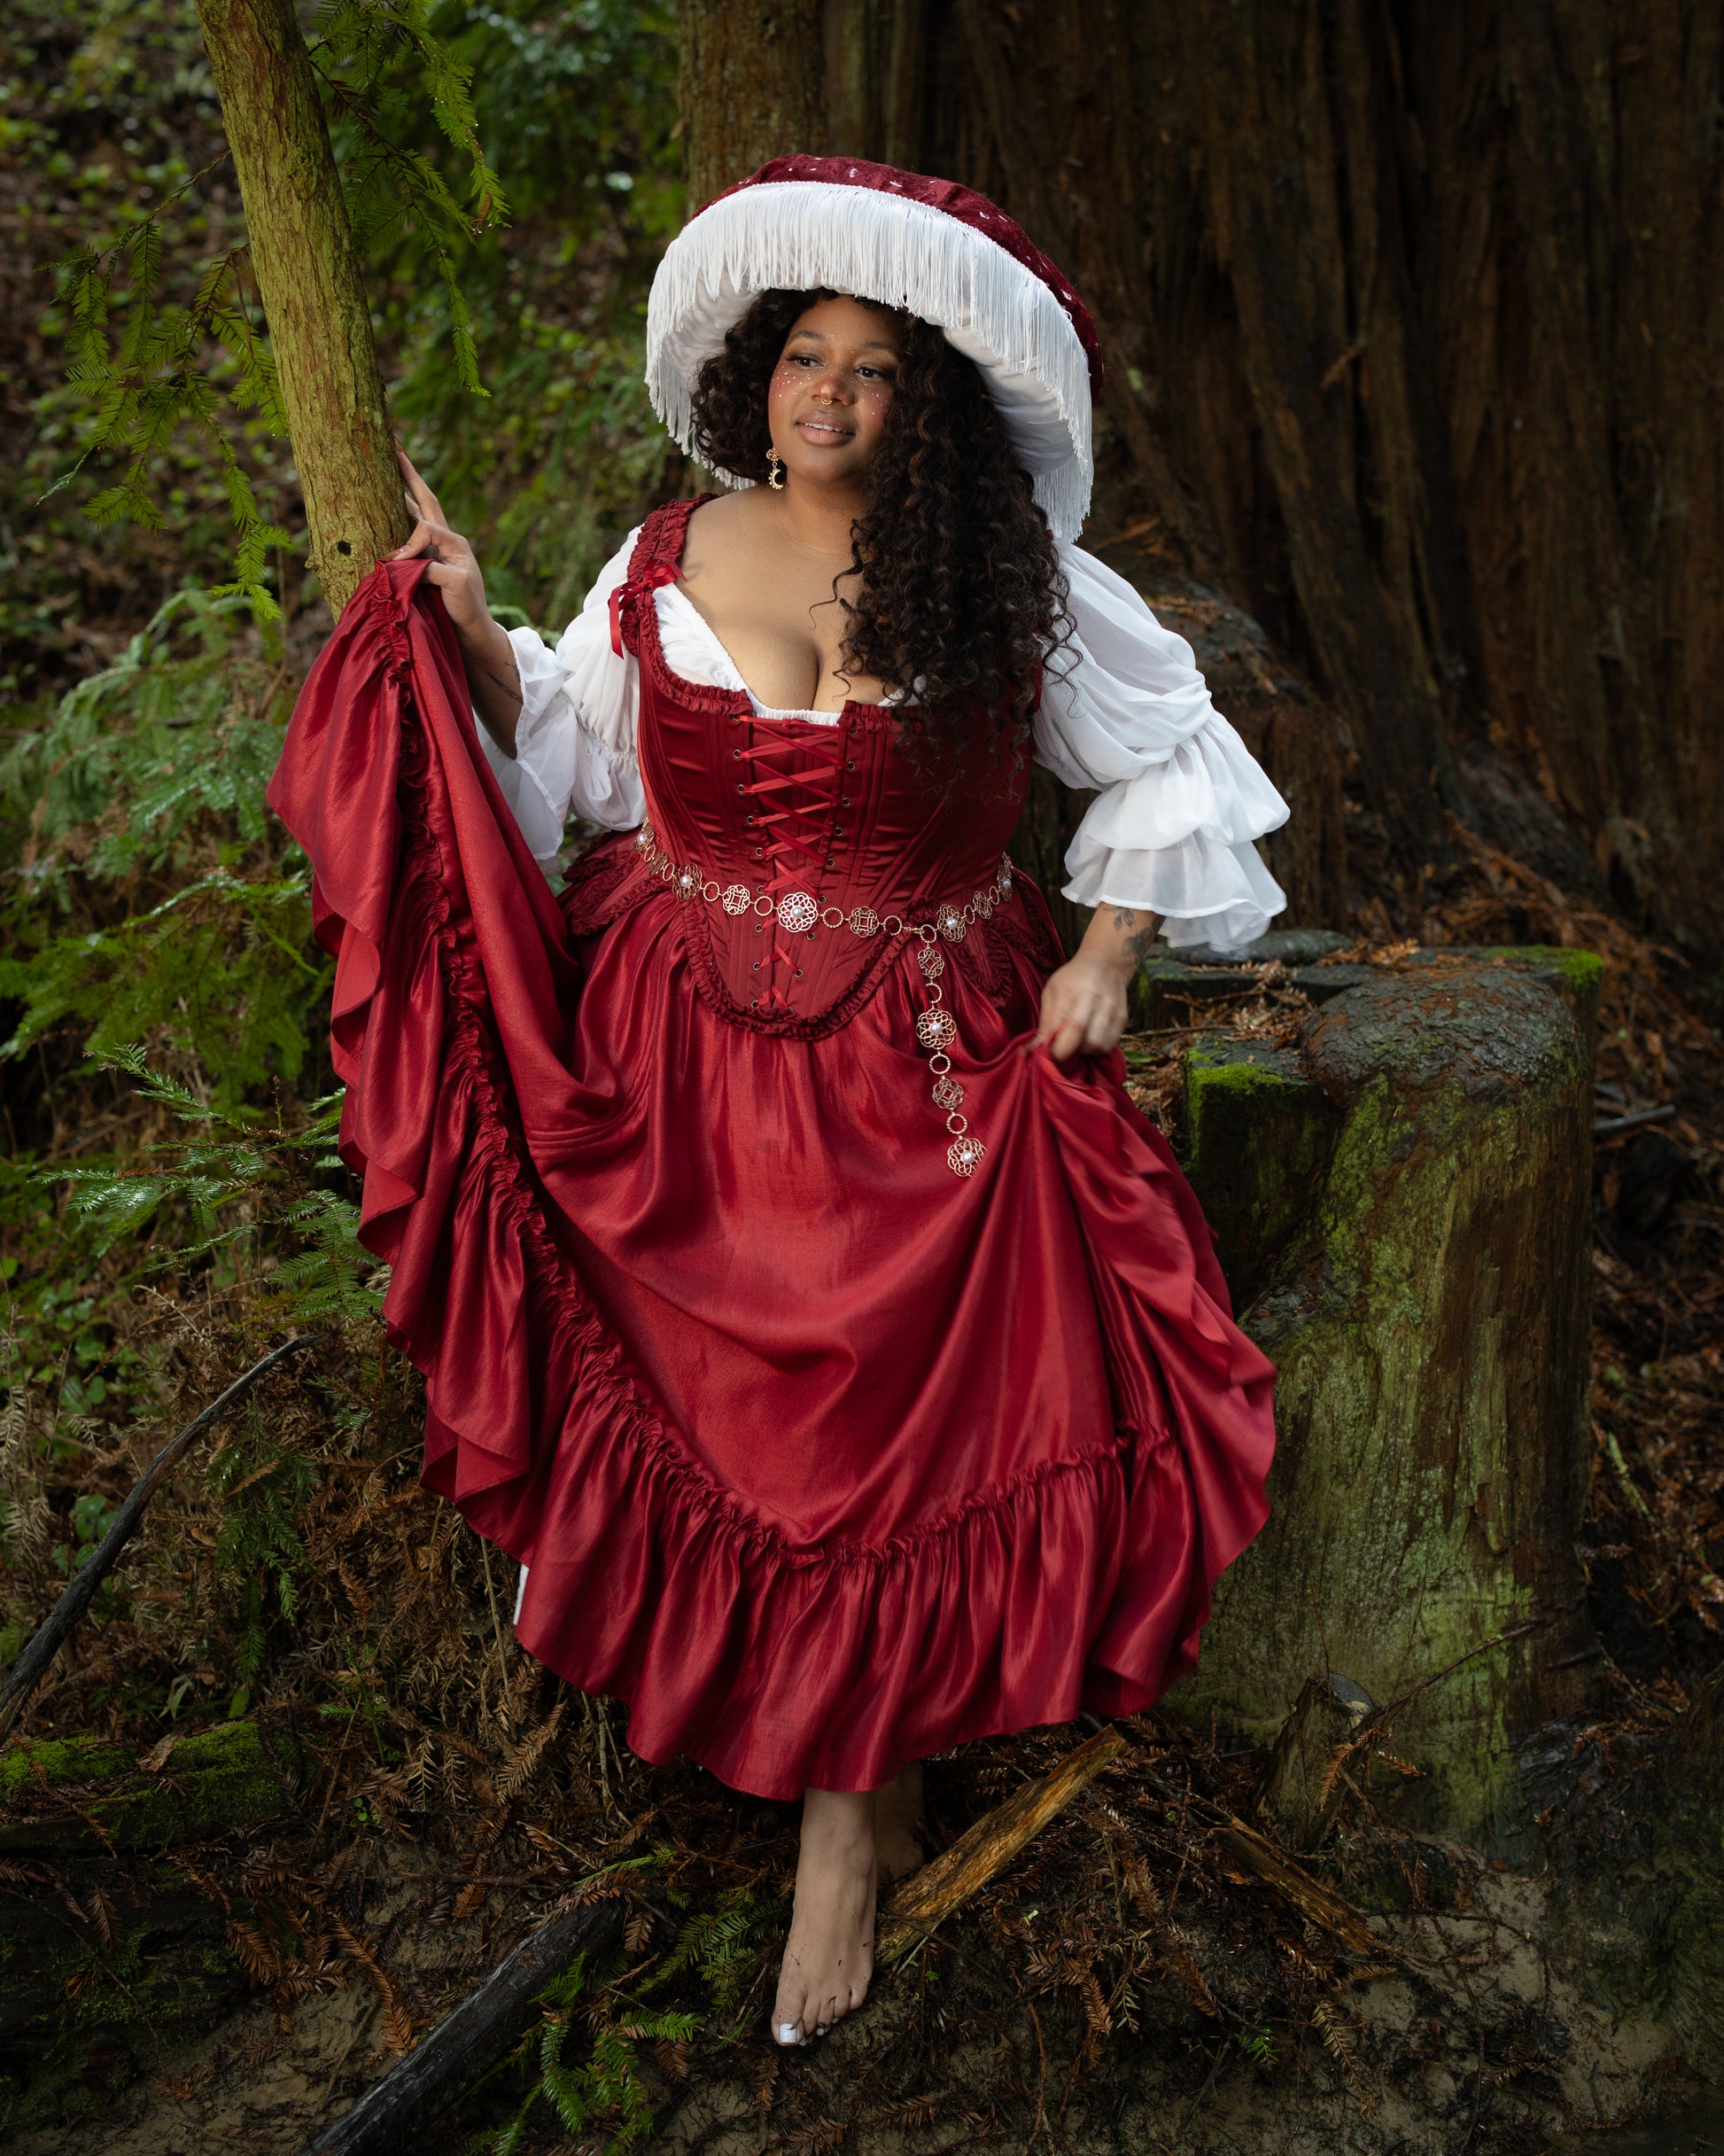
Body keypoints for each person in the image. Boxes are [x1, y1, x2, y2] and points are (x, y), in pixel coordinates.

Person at [272, 156, 1283, 2051]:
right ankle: (837, 1757)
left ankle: (841, 1811)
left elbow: (1169, 756)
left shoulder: (1009, 578)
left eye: (875, 369)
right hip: (676, 1032)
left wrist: (1107, 953)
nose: (829, 394)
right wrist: (479, 629)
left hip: (914, 1029)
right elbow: (574, 762)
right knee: (723, 1403)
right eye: (805, 358)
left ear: (934, 402)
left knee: (875, 1413)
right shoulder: (667, 551)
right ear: (759, 373)